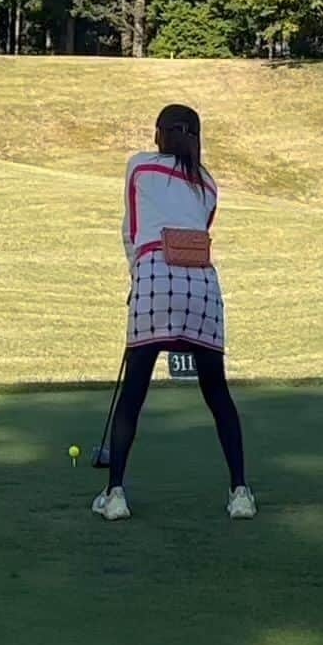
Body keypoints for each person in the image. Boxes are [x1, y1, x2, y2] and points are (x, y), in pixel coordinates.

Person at [92, 103, 257, 523]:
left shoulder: (139, 167)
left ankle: (115, 494)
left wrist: (138, 277)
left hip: (155, 279)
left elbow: (131, 231)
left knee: (134, 393)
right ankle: (240, 491)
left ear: (162, 134)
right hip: (203, 287)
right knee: (216, 393)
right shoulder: (209, 184)